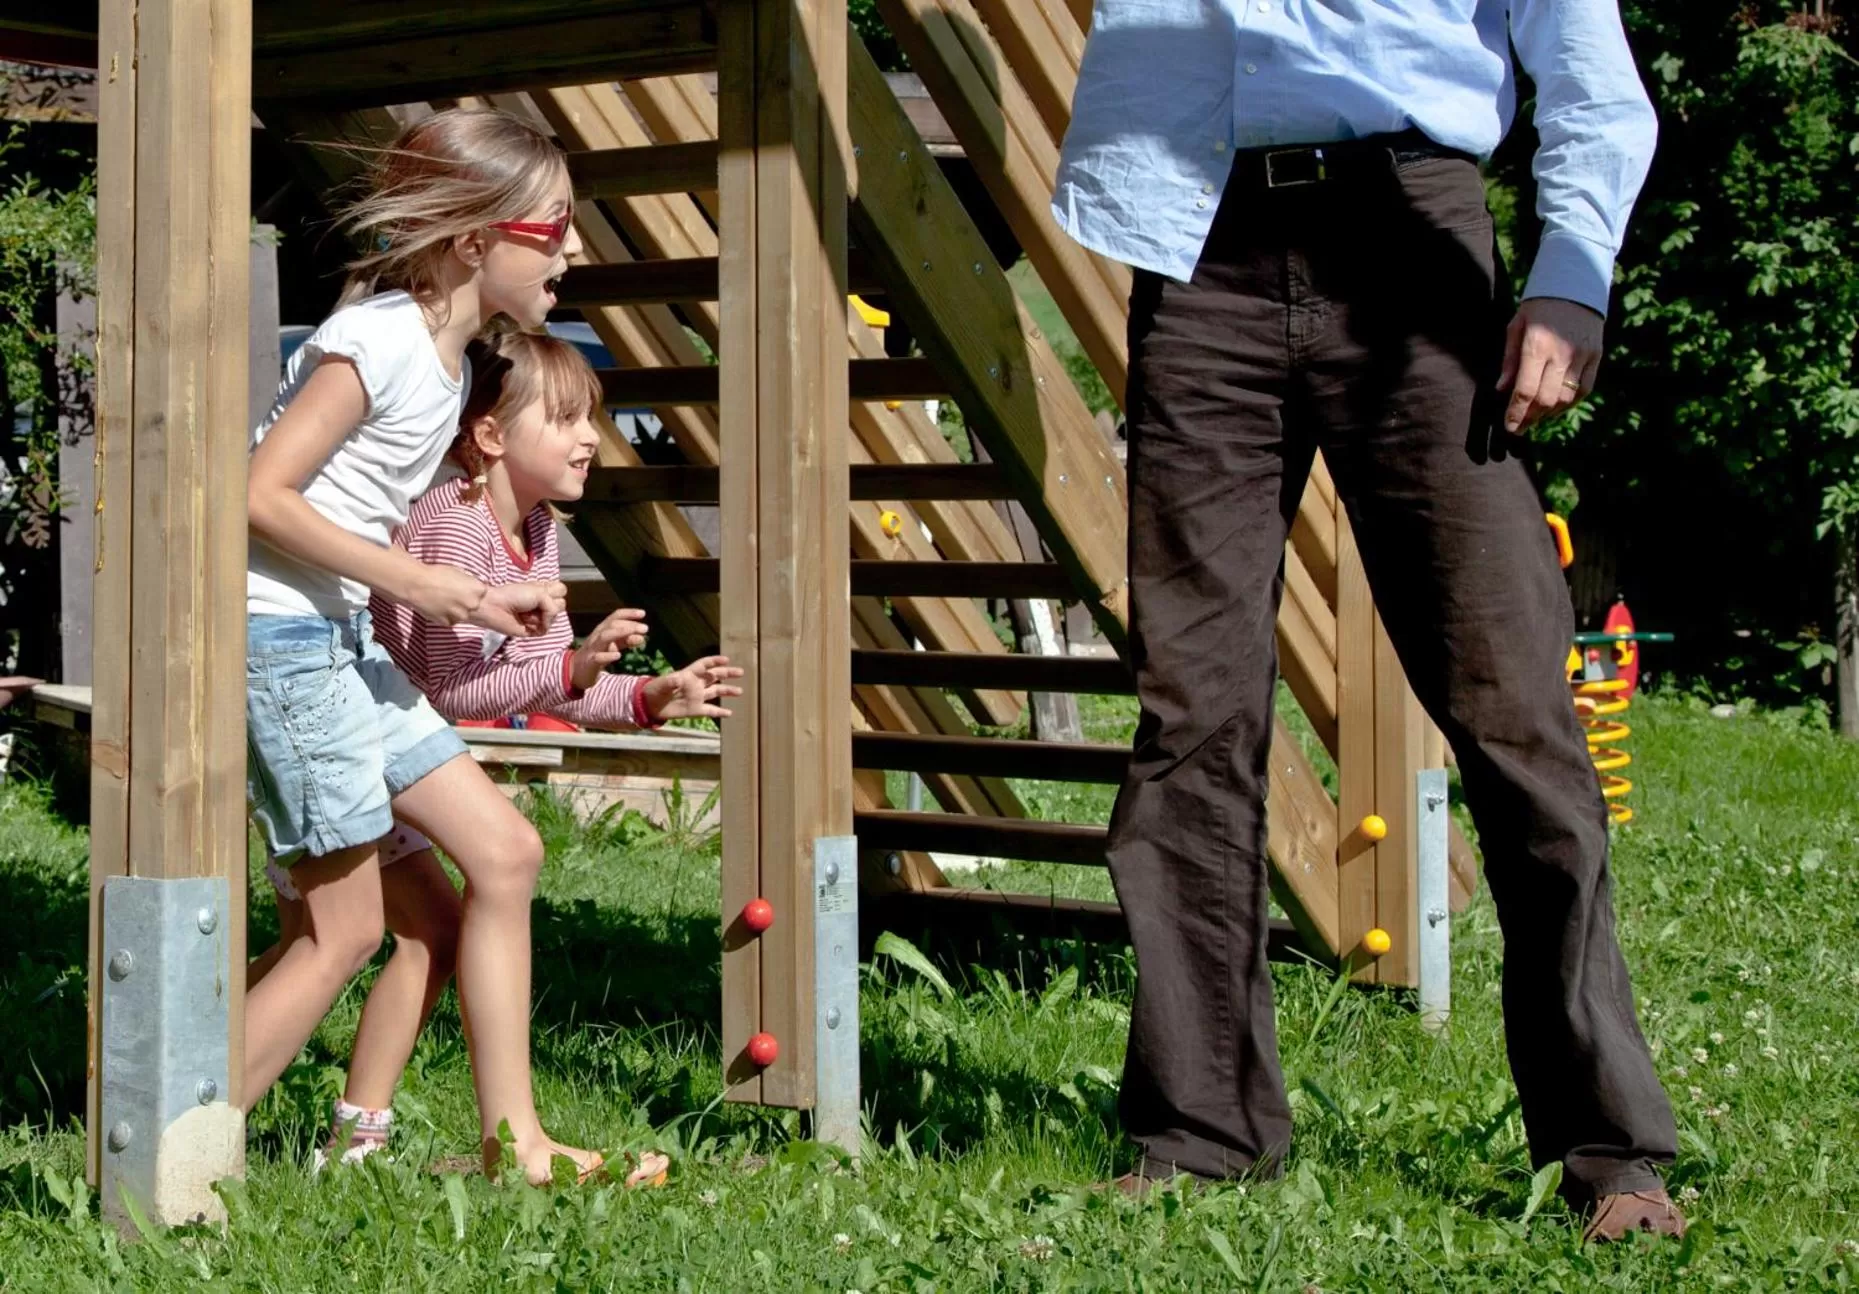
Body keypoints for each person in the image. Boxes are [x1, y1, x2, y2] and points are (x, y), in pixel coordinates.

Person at [1053, 0, 1684, 1241]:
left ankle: (1607, 1145)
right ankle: (1199, 1131)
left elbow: (1587, 71)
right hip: (1198, 237)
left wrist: (1569, 275)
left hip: (1412, 235)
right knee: (1191, 716)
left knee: (1516, 711)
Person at [254, 330, 742, 1177]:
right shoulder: (452, 528)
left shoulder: (538, 528)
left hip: (378, 738)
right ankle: (179, 1098)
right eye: (565, 418)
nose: (591, 434)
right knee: (360, 935)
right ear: (489, 438)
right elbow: (451, 692)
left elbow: (534, 681)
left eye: (589, 415)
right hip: (343, 724)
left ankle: (353, 1137)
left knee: (415, 933)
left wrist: (638, 695)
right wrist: (567, 668)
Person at [244, 106, 622, 1187]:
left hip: (338, 635)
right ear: (474, 242)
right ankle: (162, 1152)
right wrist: (421, 584)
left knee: (504, 852)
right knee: (344, 930)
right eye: (553, 231)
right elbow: (256, 494)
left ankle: (517, 1144)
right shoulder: (378, 342)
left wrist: (474, 601)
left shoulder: (451, 369)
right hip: (279, 636)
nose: (574, 251)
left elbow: (386, 528)